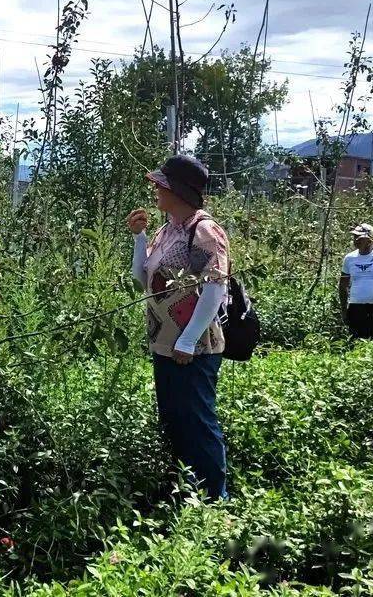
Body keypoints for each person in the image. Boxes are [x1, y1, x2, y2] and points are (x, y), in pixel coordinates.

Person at [126, 154, 229, 500]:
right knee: (172, 419)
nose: (155, 189)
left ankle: (215, 498)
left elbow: (216, 286)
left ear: (179, 191)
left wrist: (188, 340)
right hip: (164, 341)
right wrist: (139, 239)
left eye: (161, 185)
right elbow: (142, 281)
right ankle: (185, 491)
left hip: (193, 347)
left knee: (198, 422)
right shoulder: (165, 230)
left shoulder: (203, 231)